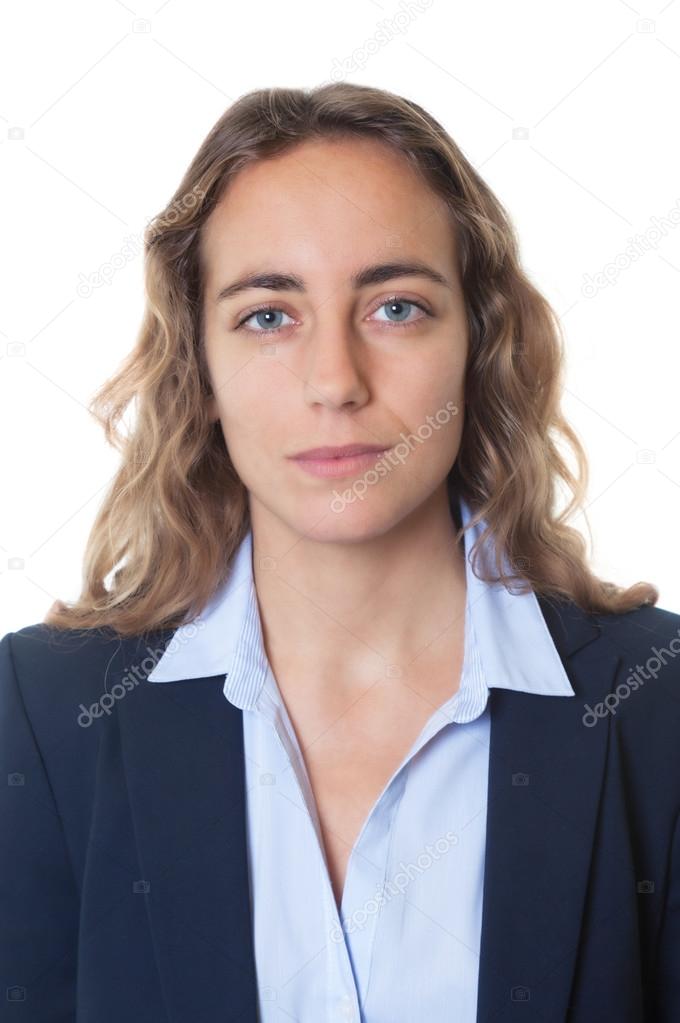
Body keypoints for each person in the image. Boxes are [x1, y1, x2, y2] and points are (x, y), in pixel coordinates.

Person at [1, 82, 678, 1023]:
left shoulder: (658, 699)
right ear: (200, 368)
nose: (335, 382)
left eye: (395, 307)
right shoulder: (40, 710)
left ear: (478, 343)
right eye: (268, 315)